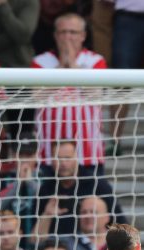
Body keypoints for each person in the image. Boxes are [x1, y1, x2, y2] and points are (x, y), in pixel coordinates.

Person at [31, 13, 106, 171]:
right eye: (63, 32)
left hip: (88, 151)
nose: (67, 37)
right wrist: (60, 69)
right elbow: (36, 97)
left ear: (83, 36)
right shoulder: (40, 61)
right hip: (49, 151)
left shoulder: (95, 61)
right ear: (55, 36)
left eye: (73, 32)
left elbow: (95, 95)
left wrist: (71, 65)